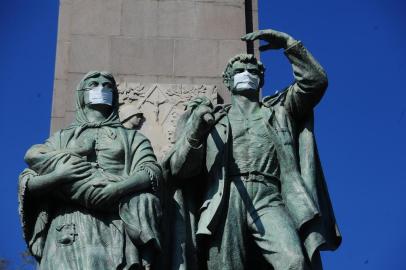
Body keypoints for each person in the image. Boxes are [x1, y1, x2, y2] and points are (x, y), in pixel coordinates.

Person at [163, 29, 341, 270]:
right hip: (225, 198)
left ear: (261, 80)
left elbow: (316, 82)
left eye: (252, 71)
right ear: (227, 81)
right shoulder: (214, 120)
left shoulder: (280, 112)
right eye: (239, 72)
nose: (246, 75)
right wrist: (195, 130)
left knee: (295, 262)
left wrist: (290, 45)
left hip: (269, 196)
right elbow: (178, 169)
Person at [19, 71, 162, 270]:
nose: (102, 89)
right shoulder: (61, 138)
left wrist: (118, 189)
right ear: (81, 95)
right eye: (94, 84)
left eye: (108, 86)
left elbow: (151, 171)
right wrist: (60, 175)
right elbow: (30, 179)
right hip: (68, 224)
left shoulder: (132, 138)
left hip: (115, 221)